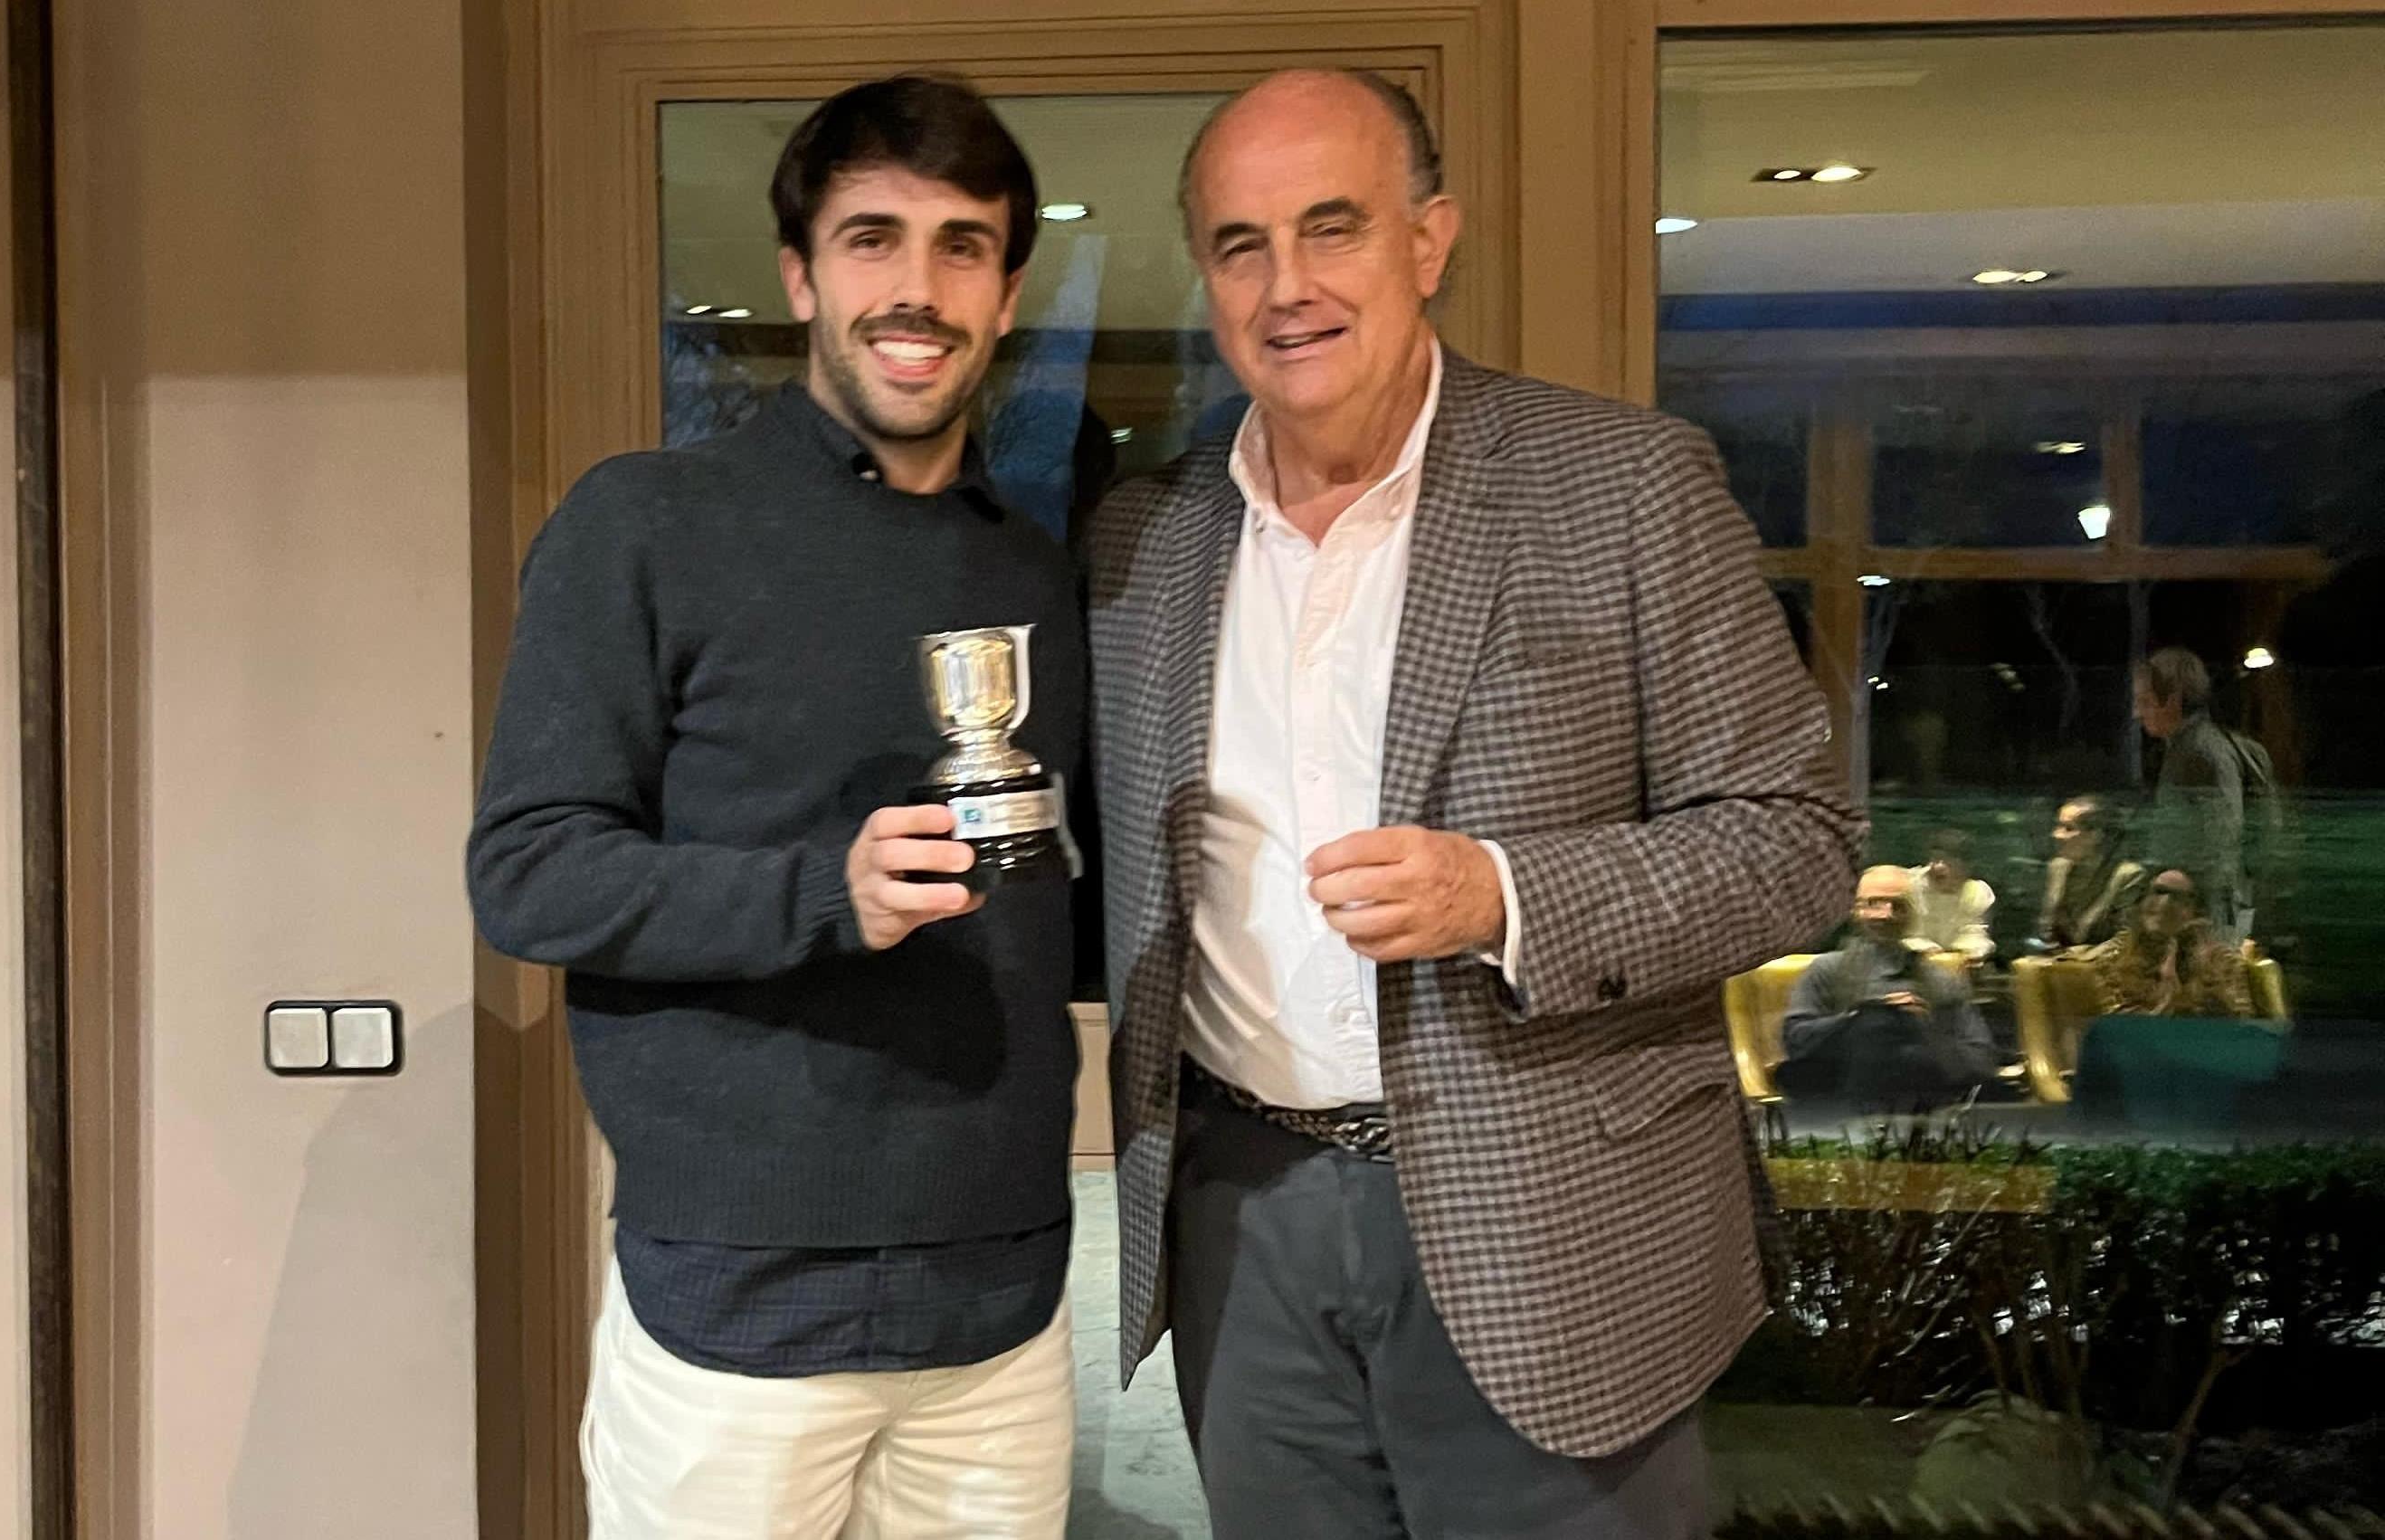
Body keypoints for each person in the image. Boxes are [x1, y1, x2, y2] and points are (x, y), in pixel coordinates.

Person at [1081, 68, 1861, 1538]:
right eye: (1240, 243)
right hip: (1241, 1219)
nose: (1287, 284)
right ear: (1203, 273)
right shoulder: (1145, 534)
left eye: (1333, 228)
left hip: (1550, 1228)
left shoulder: (1620, 484)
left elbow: (1795, 837)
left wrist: (1500, 895)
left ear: (1426, 241)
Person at [469, 76, 1084, 1538]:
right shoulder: (643, 526)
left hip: (997, 1307)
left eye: (959, 246)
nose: (913, 288)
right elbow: (530, 873)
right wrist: (825, 893)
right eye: (871, 239)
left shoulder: (1033, 573)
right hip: (734, 1307)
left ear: (1003, 293)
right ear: (801, 276)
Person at [1779, 866, 1999, 1107]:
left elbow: (1981, 1060)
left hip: (1925, 1107)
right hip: (1837, 1107)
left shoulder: (1940, 980)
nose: (1886, 915)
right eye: (1874, 903)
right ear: (1855, 909)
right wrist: (1861, 1017)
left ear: (1913, 914)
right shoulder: (1827, 970)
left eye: (1899, 906)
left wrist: (1924, 1030)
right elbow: (1797, 1041)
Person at [2135, 647, 2268, 946]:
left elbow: (2223, 834)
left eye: (2144, 701)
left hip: (2203, 919)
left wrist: (2188, 907)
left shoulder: (2201, 752)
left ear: (2173, 700)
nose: (2137, 712)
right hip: (2199, 912)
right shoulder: (2188, 747)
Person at [2086, 869, 2256, 1019]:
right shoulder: (2114, 957)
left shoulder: (2222, 960)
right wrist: (2168, 1002)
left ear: (2196, 911)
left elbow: (2239, 1028)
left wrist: (2200, 989)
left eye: (2179, 898)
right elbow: (2120, 1033)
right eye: (2158, 892)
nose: (2164, 904)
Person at [2033, 794, 2147, 952]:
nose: (2056, 835)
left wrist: (2078, 957)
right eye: (2057, 826)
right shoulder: (2058, 868)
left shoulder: (2127, 876)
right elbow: (2046, 929)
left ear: (2096, 835)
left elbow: (2125, 940)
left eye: (2068, 828)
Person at [1907, 828, 1995, 965]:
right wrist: (1924, 948)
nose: (1938, 867)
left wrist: (1968, 952)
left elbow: (1974, 932)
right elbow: (1900, 933)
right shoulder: (1908, 885)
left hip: (1955, 968)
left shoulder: (1977, 893)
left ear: (1967, 866)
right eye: (1935, 859)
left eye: (1948, 861)